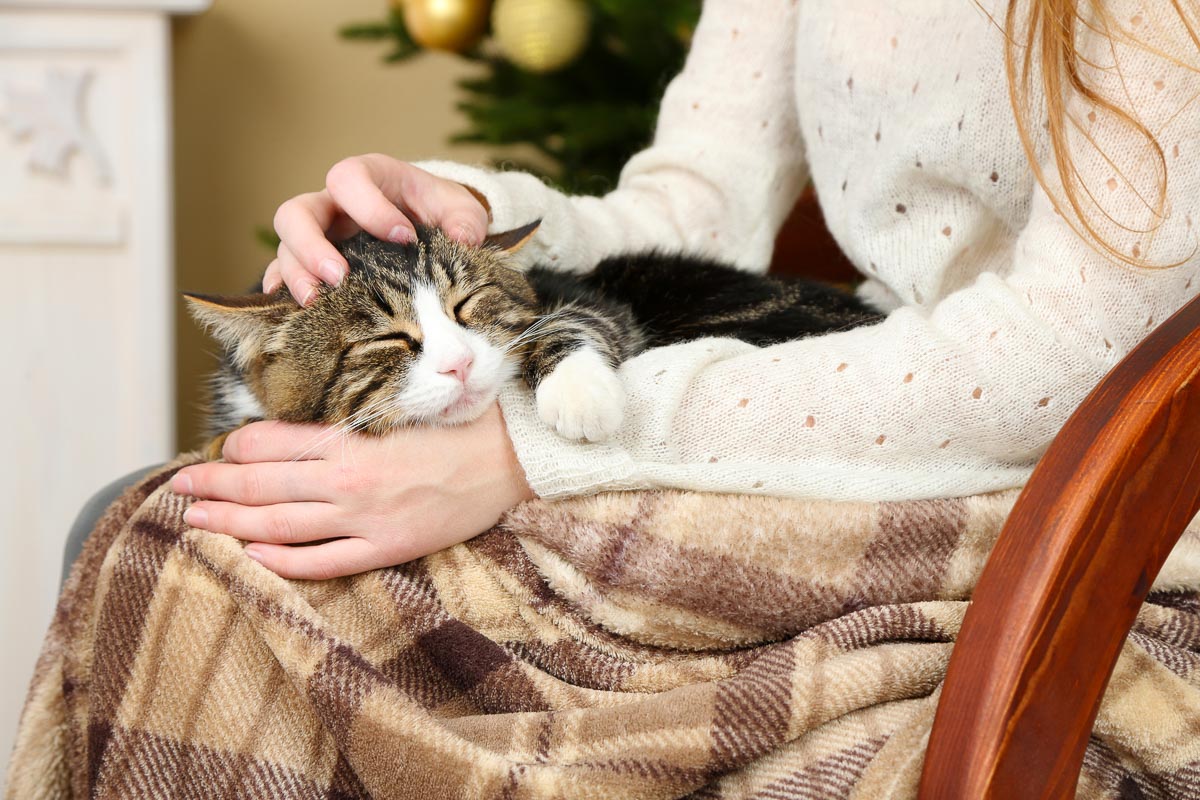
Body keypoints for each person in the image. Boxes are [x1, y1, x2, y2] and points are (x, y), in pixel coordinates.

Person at [168, 0, 1200, 581]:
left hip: (1098, 497)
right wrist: (462, 217)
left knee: (206, 584)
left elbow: (1069, 354)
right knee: (164, 550)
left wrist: (536, 450)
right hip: (878, 403)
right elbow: (701, 205)